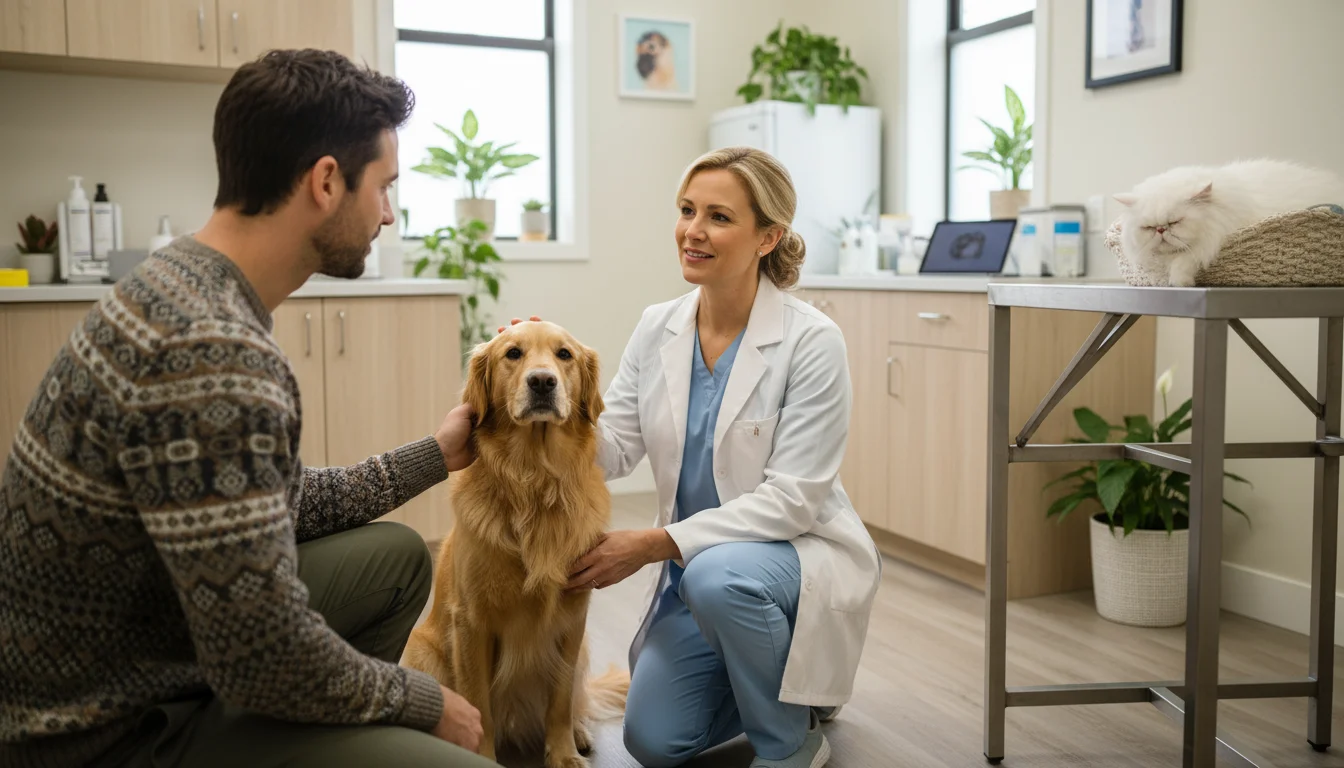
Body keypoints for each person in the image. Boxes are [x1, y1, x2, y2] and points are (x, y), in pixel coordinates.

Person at [0, 49, 494, 768]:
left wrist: (437, 455)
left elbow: (276, 504)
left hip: (150, 653)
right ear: (327, 181)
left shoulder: (179, 279)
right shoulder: (211, 353)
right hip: (104, 734)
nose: (388, 214)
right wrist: (420, 701)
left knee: (393, 561)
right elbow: (261, 655)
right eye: (385, 187)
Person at [521, 146, 883, 767]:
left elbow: (793, 502)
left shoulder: (811, 340)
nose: (693, 231)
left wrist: (656, 543)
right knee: (655, 743)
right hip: (697, 579)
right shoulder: (657, 325)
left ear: (768, 237)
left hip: (790, 558)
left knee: (719, 578)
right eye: (687, 210)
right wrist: (549, 384)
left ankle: (791, 741)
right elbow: (612, 450)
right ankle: (792, 689)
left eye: (718, 217)